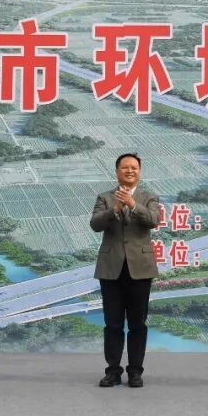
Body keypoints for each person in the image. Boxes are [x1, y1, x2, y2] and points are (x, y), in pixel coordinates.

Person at [90, 153, 160, 388]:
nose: (129, 171)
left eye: (134, 167)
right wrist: (115, 209)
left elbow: (153, 220)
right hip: (111, 268)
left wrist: (132, 204)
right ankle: (112, 371)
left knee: (138, 323)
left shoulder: (149, 197)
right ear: (117, 171)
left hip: (140, 268)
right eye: (125, 167)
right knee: (113, 323)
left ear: (139, 171)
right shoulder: (105, 197)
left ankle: (135, 371)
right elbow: (95, 224)